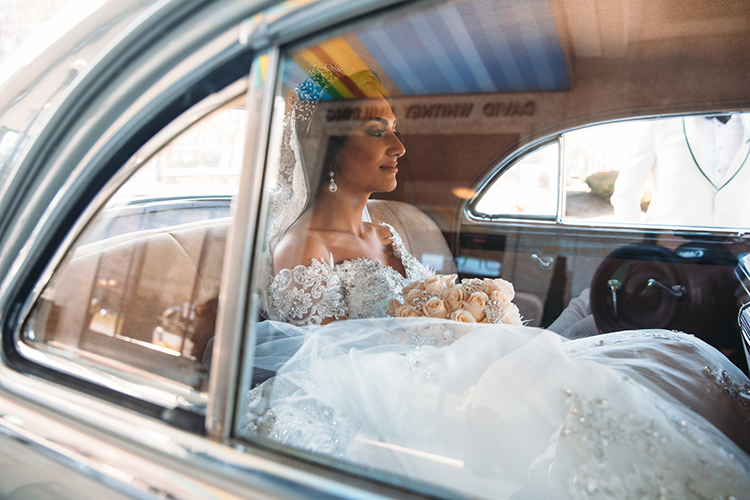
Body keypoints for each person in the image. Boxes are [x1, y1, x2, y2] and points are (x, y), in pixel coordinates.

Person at [248, 67, 750, 499]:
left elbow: (421, 308)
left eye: (395, 129)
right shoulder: (304, 247)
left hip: (457, 365)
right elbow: (329, 363)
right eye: (377, 130)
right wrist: (447, 340)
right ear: (329, 146)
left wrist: (474, 317)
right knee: (587, 386)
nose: (399, 146)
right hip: (413, 393)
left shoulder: (386, 231)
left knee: (669, 355)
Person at [610, 114, 750, 227]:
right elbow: (626, 191)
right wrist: (635, 246)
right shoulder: (659, 119)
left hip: (740, 249)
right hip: (669, 250)